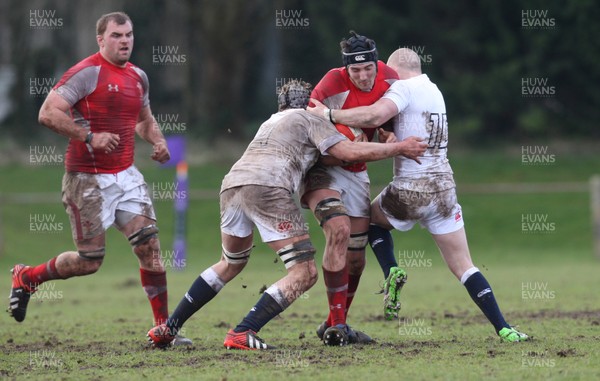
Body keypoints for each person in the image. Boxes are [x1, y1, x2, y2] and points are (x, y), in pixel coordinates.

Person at [146, 80, 427, 350]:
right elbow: (348, 152)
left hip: (232, 185)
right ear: (310, 104)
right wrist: (399, 147)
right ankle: (244, 331)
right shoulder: (310, 119)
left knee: (229, 263)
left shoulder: (270, 121)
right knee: (304, 272)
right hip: (268, 188)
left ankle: (168, 328)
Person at [308, 48, 529, 342]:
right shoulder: (434, 89)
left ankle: (392, 270)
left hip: (413, 188)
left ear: (395, 69)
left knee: (368, 221)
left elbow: (375, 113)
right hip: (445, 188)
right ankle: (504, 328)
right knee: (465, 266)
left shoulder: (402, 87)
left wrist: (329, 113)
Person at [8, 12, 190, 346]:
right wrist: (89, 137)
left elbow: (144, 120)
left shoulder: (138, 76)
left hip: (126, 176)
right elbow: (47, 113)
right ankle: (27, 277)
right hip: (86, 180)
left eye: (129, 35)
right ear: (101, 39)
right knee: (90, 261)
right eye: (118, 35)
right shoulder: (86, 72)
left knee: (150, 246)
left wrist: (159, 141)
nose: (125, 41)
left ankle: (163, 330)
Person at [300, 31, 401, 346]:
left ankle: (333, 322)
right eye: (355, 70)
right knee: (339, 233)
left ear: (376, 62)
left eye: (367, 68)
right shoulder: (331, 82)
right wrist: (339, 136)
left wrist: (389, 135)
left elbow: (393, 121)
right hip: (325, 170)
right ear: (346, 69)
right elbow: (306, 116)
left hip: (357, 173)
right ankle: (339, 326)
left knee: (356, 259)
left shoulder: (390, 79)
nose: (362, 75)